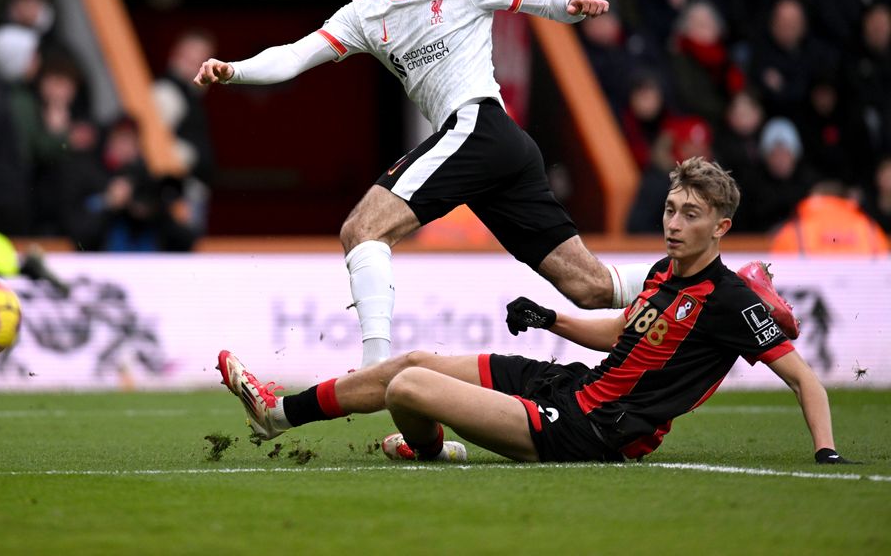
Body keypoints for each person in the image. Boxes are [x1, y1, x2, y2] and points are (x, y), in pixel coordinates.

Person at [193, 0, 653, 368]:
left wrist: (573, 3)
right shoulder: (364, 14)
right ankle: (713, 281)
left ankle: (374, 371)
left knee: (362, 230)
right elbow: (295, 55)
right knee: (591, 288)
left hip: (479, 126)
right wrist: (233, 70)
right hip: (495, 153)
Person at [219, 157, 849, 466]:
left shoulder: (732, 301)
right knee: (411, 364)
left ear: (722, 226)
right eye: (670, 209)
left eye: (690, 214)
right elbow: (616, 337)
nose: (674, 223)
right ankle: (277, 414)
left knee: (411, 385)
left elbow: (805, 379)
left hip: (595, 430)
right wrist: (552, 319)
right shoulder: (660, 275)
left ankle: (433, 450)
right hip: (574, 388)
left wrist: (825, 452)